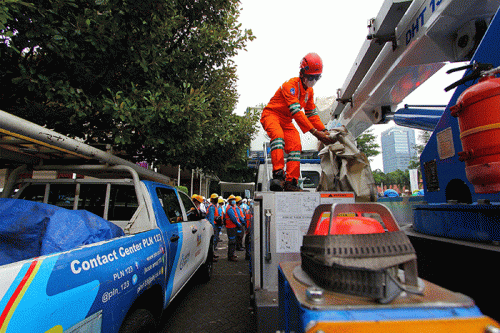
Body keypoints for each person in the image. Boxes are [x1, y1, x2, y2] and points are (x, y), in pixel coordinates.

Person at [260, 52, 335, 191]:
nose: (313, 81)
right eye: (311, 77)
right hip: (272, 115)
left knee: (295, 144)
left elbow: (312, 114)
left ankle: (291, 182)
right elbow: (296, 111)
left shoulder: (309, 92)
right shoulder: (290, 86)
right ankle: (278, 175)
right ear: (302, 73)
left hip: (286, 120)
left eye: (316, 77)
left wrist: (324, 131)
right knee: (278, 136)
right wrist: (316, 133)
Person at [224, 194, 243, 261]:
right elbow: (233, 218)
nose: (234, 201)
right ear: (229, 201)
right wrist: (239, 224)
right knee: (232, 241)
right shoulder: (229, 208)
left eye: (234, 200)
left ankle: (232, 254)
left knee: (233, 241)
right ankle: (230, 256)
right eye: (232, 200)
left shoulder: (232, 208)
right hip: (231, 227)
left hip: (233, 227)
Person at [206, 193, 221, 261]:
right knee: (213, 241)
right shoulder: (212, 207)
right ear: (212, 199)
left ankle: (212, 254)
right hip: (213, 226)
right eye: (215, 198)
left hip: (216, 225)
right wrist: (213, 228)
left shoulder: (214, 206)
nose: (216, 199)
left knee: (215, 240)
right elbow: (211, 218)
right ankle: (210, 256)